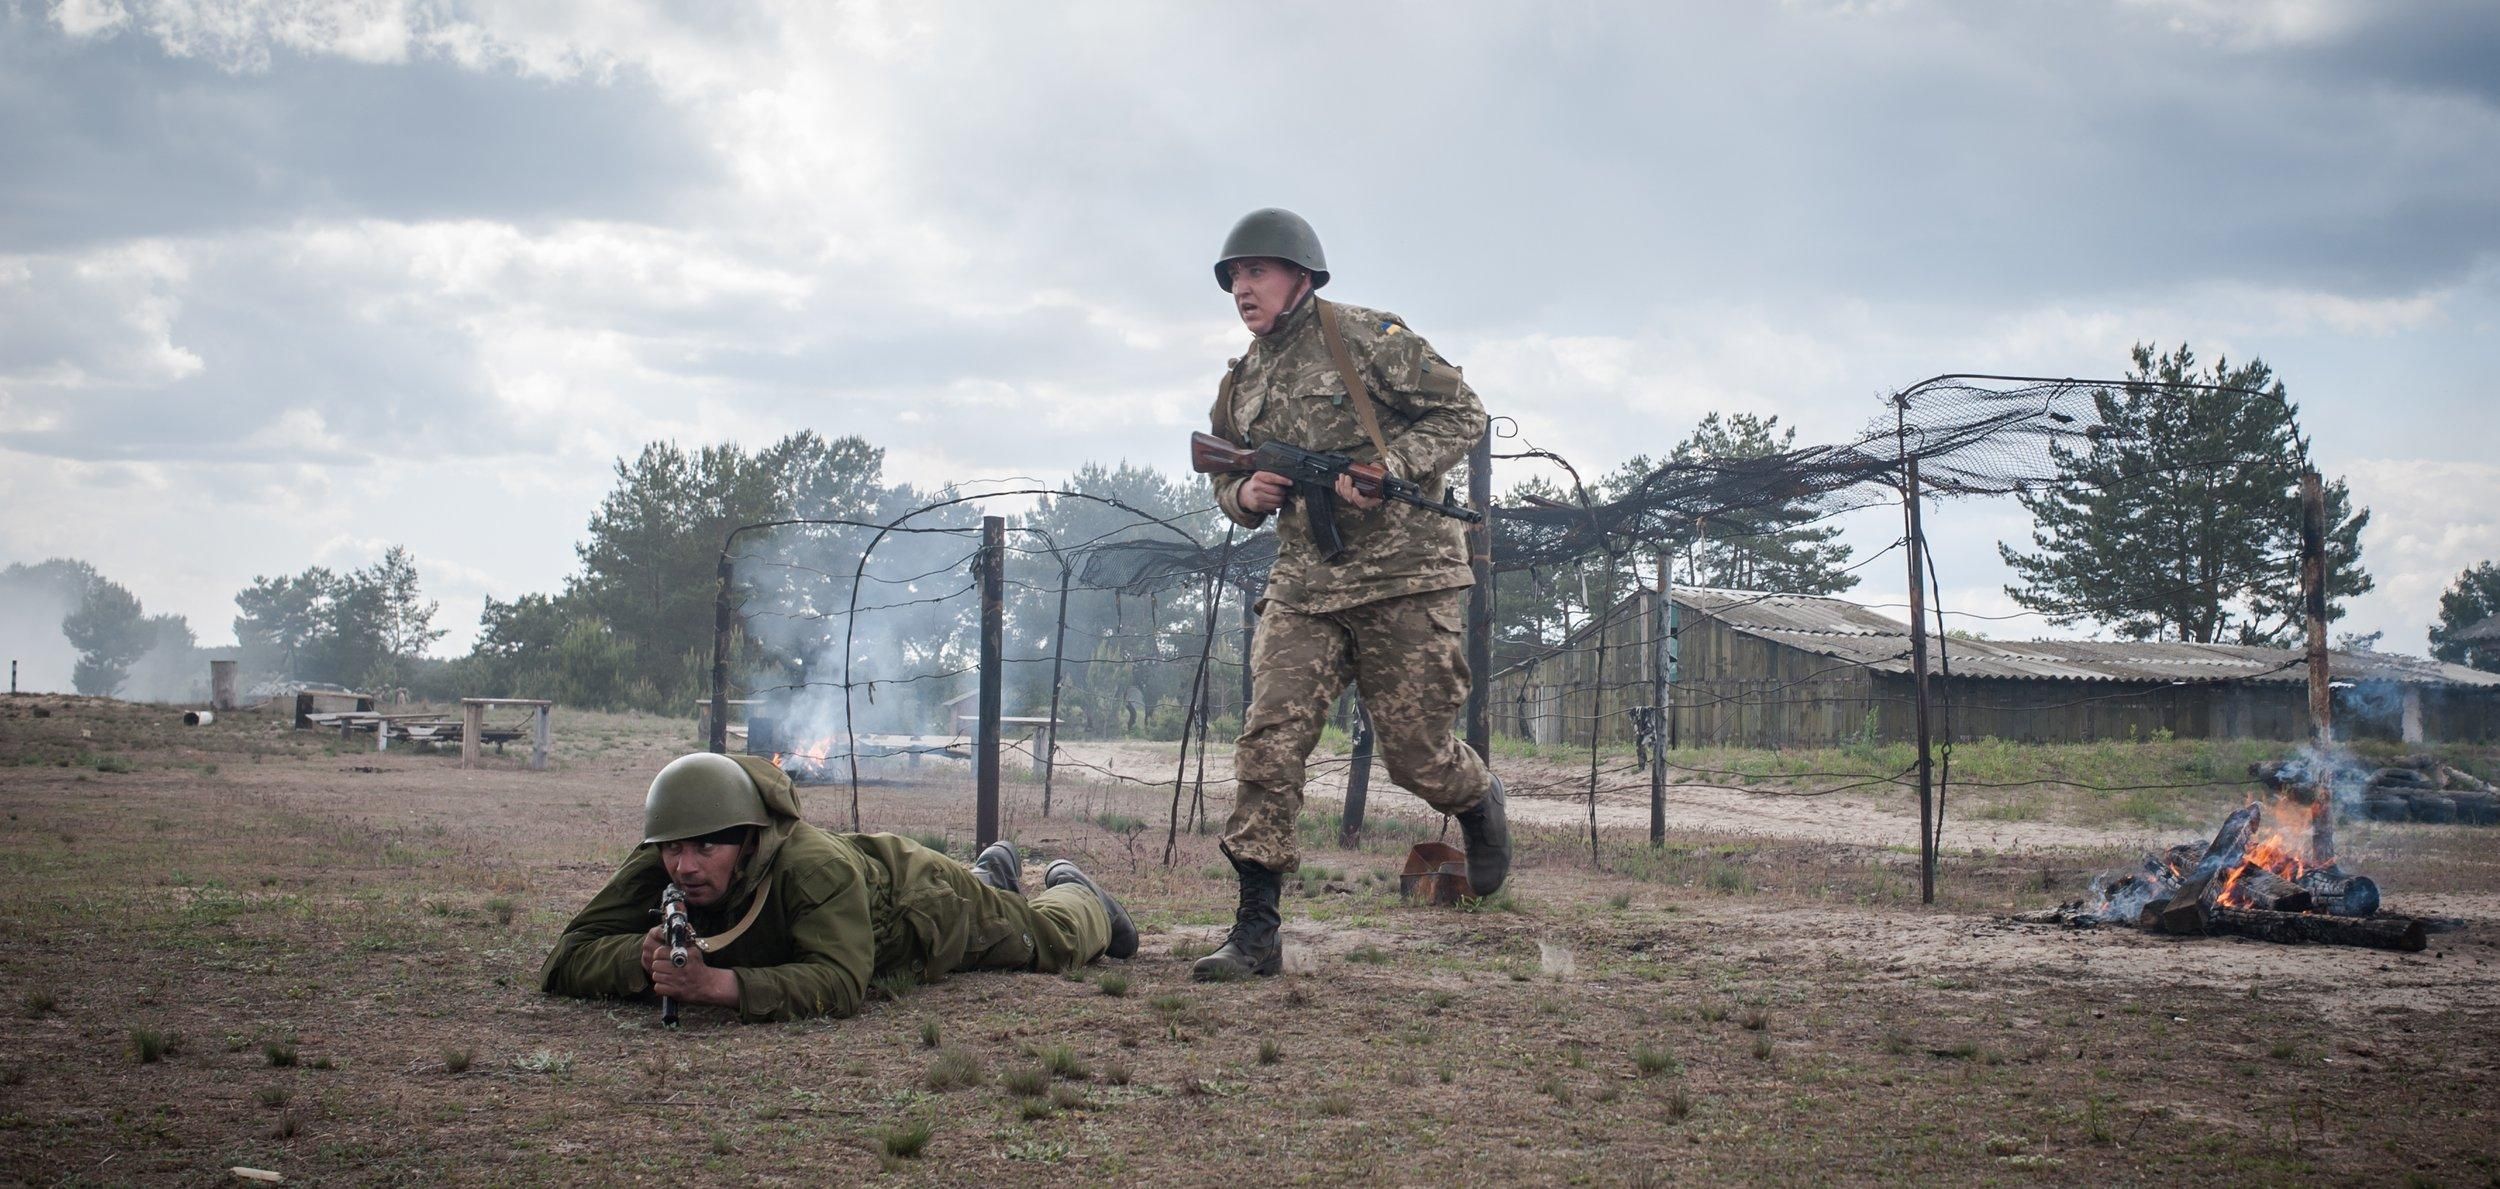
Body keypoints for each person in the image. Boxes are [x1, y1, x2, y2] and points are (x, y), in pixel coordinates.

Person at [1194, 207, 1508, 982]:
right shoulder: (1242, 381)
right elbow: (1223, 479)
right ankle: (1257, 930)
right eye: (1234, 275)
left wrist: (1392, 464)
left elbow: (1464, 411)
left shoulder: (1366, 338)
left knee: (1416, 757)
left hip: (1407, 579)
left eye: (1257, 270)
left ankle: (1474, 797)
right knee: (1269, 742)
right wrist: (1248, 495)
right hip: (1306, 586)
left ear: (1301, 275)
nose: (1242, 286)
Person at [539, 751, 1137, 1022]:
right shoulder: (666, 852)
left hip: (916, 902)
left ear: (748, 839)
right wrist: (640, 961)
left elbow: (841, 982)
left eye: (706, 848)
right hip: (861, 892)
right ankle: (990, 875)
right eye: (673, 848)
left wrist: (713, 986)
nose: (686, 866)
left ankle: (1078, 893)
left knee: (1046, 941)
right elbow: (565, 957)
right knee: (992, 899)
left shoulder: (809, 866)